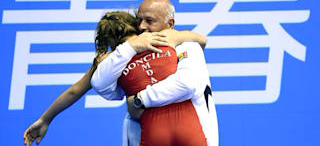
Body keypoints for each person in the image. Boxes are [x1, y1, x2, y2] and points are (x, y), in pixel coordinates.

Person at [23, 10, 209, 146]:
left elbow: (74, 91)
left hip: (150, 125)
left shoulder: (106, 60)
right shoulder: (164, 36)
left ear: (107, 41)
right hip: (186, 120)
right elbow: (201, 39)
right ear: (135, 25)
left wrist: (45, 119)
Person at [91, 0, 219, 146]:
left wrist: (140, 99)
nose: (142, 27)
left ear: (169, 24)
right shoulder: (129, 53)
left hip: (194, 135)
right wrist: (129, 47)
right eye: (139, 20)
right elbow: (99, 84)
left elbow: (186, 84)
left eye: (149, 21)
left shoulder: (188, 46)